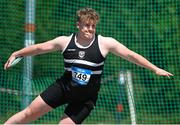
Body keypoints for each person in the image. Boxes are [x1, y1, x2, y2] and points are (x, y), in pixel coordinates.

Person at [4, 8, 173, 124]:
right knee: (27, 114)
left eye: (93, 26)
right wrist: (17, 53)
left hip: (85, 99)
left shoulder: (105, 43)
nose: (90, 29)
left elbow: (131, 55)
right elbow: (40, 47)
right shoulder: (64, 41)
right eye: (86, 25)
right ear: (78, 25)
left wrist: (155, 68)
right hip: (63, 88)